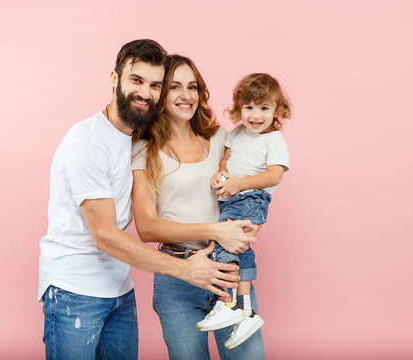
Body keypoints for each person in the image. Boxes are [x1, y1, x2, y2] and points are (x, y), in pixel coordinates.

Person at [38, 40, 252, 360]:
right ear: (114, 78)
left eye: (154, 85)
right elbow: (106, 235)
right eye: (136, 80)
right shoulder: (87, 143)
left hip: (120, 293)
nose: (145, 92)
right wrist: (185, 271)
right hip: (74, 292)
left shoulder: (135, 138)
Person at [132, 55, 265, 359]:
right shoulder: (144, 149)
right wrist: (215, 229)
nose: (186, 95)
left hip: (227, 271)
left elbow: (253, 183)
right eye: (175, 87)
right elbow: (146, 227)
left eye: (192, 87)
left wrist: (252, 223)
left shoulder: (220, 139)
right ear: (160, 94)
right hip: (177, 277)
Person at [196, 73, 291, 350]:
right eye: (249, 107)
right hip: (233, 199)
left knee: (225, 245)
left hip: (253, 198)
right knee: (233, 247)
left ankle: (230, 303)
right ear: (238, 109)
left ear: (277, 111)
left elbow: (274, 176)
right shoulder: (235, 134)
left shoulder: (273, 140)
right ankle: (244, 310)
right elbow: (225, 163)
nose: (256, 115)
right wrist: (220, 177)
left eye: (264, 108)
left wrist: (239, 184)